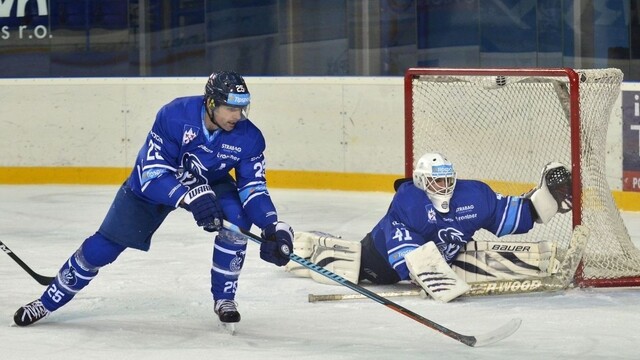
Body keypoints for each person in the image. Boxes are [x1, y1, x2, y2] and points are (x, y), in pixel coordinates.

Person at [13, 71, 294, 326]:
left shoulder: (249, 137)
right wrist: (188, 197)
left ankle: (224, 298)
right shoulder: (175, 115)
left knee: (238, 222)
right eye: (231, 108)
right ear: (211, 103)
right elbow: (153, 174)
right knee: (104, 248)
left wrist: (272, 226)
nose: (238, 115)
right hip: (156, 187)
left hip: (211, 182)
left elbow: (253, 187)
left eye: (242, 108)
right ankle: (46, 302)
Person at [286, 152, 572, 302]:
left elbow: (514, 216)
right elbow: (411, 260)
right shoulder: (409, 201)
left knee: (474, 257)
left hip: (445, 255)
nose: (444, 186)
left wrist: (544, 202)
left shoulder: (474, 196)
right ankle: (307, 247)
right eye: (437, 181)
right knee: (344, 262)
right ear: (422, 181)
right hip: (379, 260)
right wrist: (435, 279)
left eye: (448, 179)